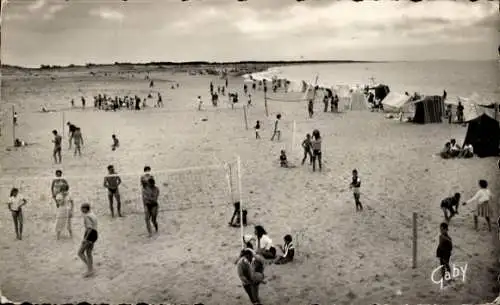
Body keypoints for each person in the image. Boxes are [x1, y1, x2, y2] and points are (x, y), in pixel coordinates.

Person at [78, 203, 98, 278]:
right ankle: (91, 268)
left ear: (86, 209)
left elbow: (89, 229)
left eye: (82, 208)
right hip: (95, 234)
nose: (81, 210)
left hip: (90, 235)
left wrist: (85, 239)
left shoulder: (87, 216)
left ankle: (90, 269)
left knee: (80, 253)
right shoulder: (92, 214)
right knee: (89, 253)